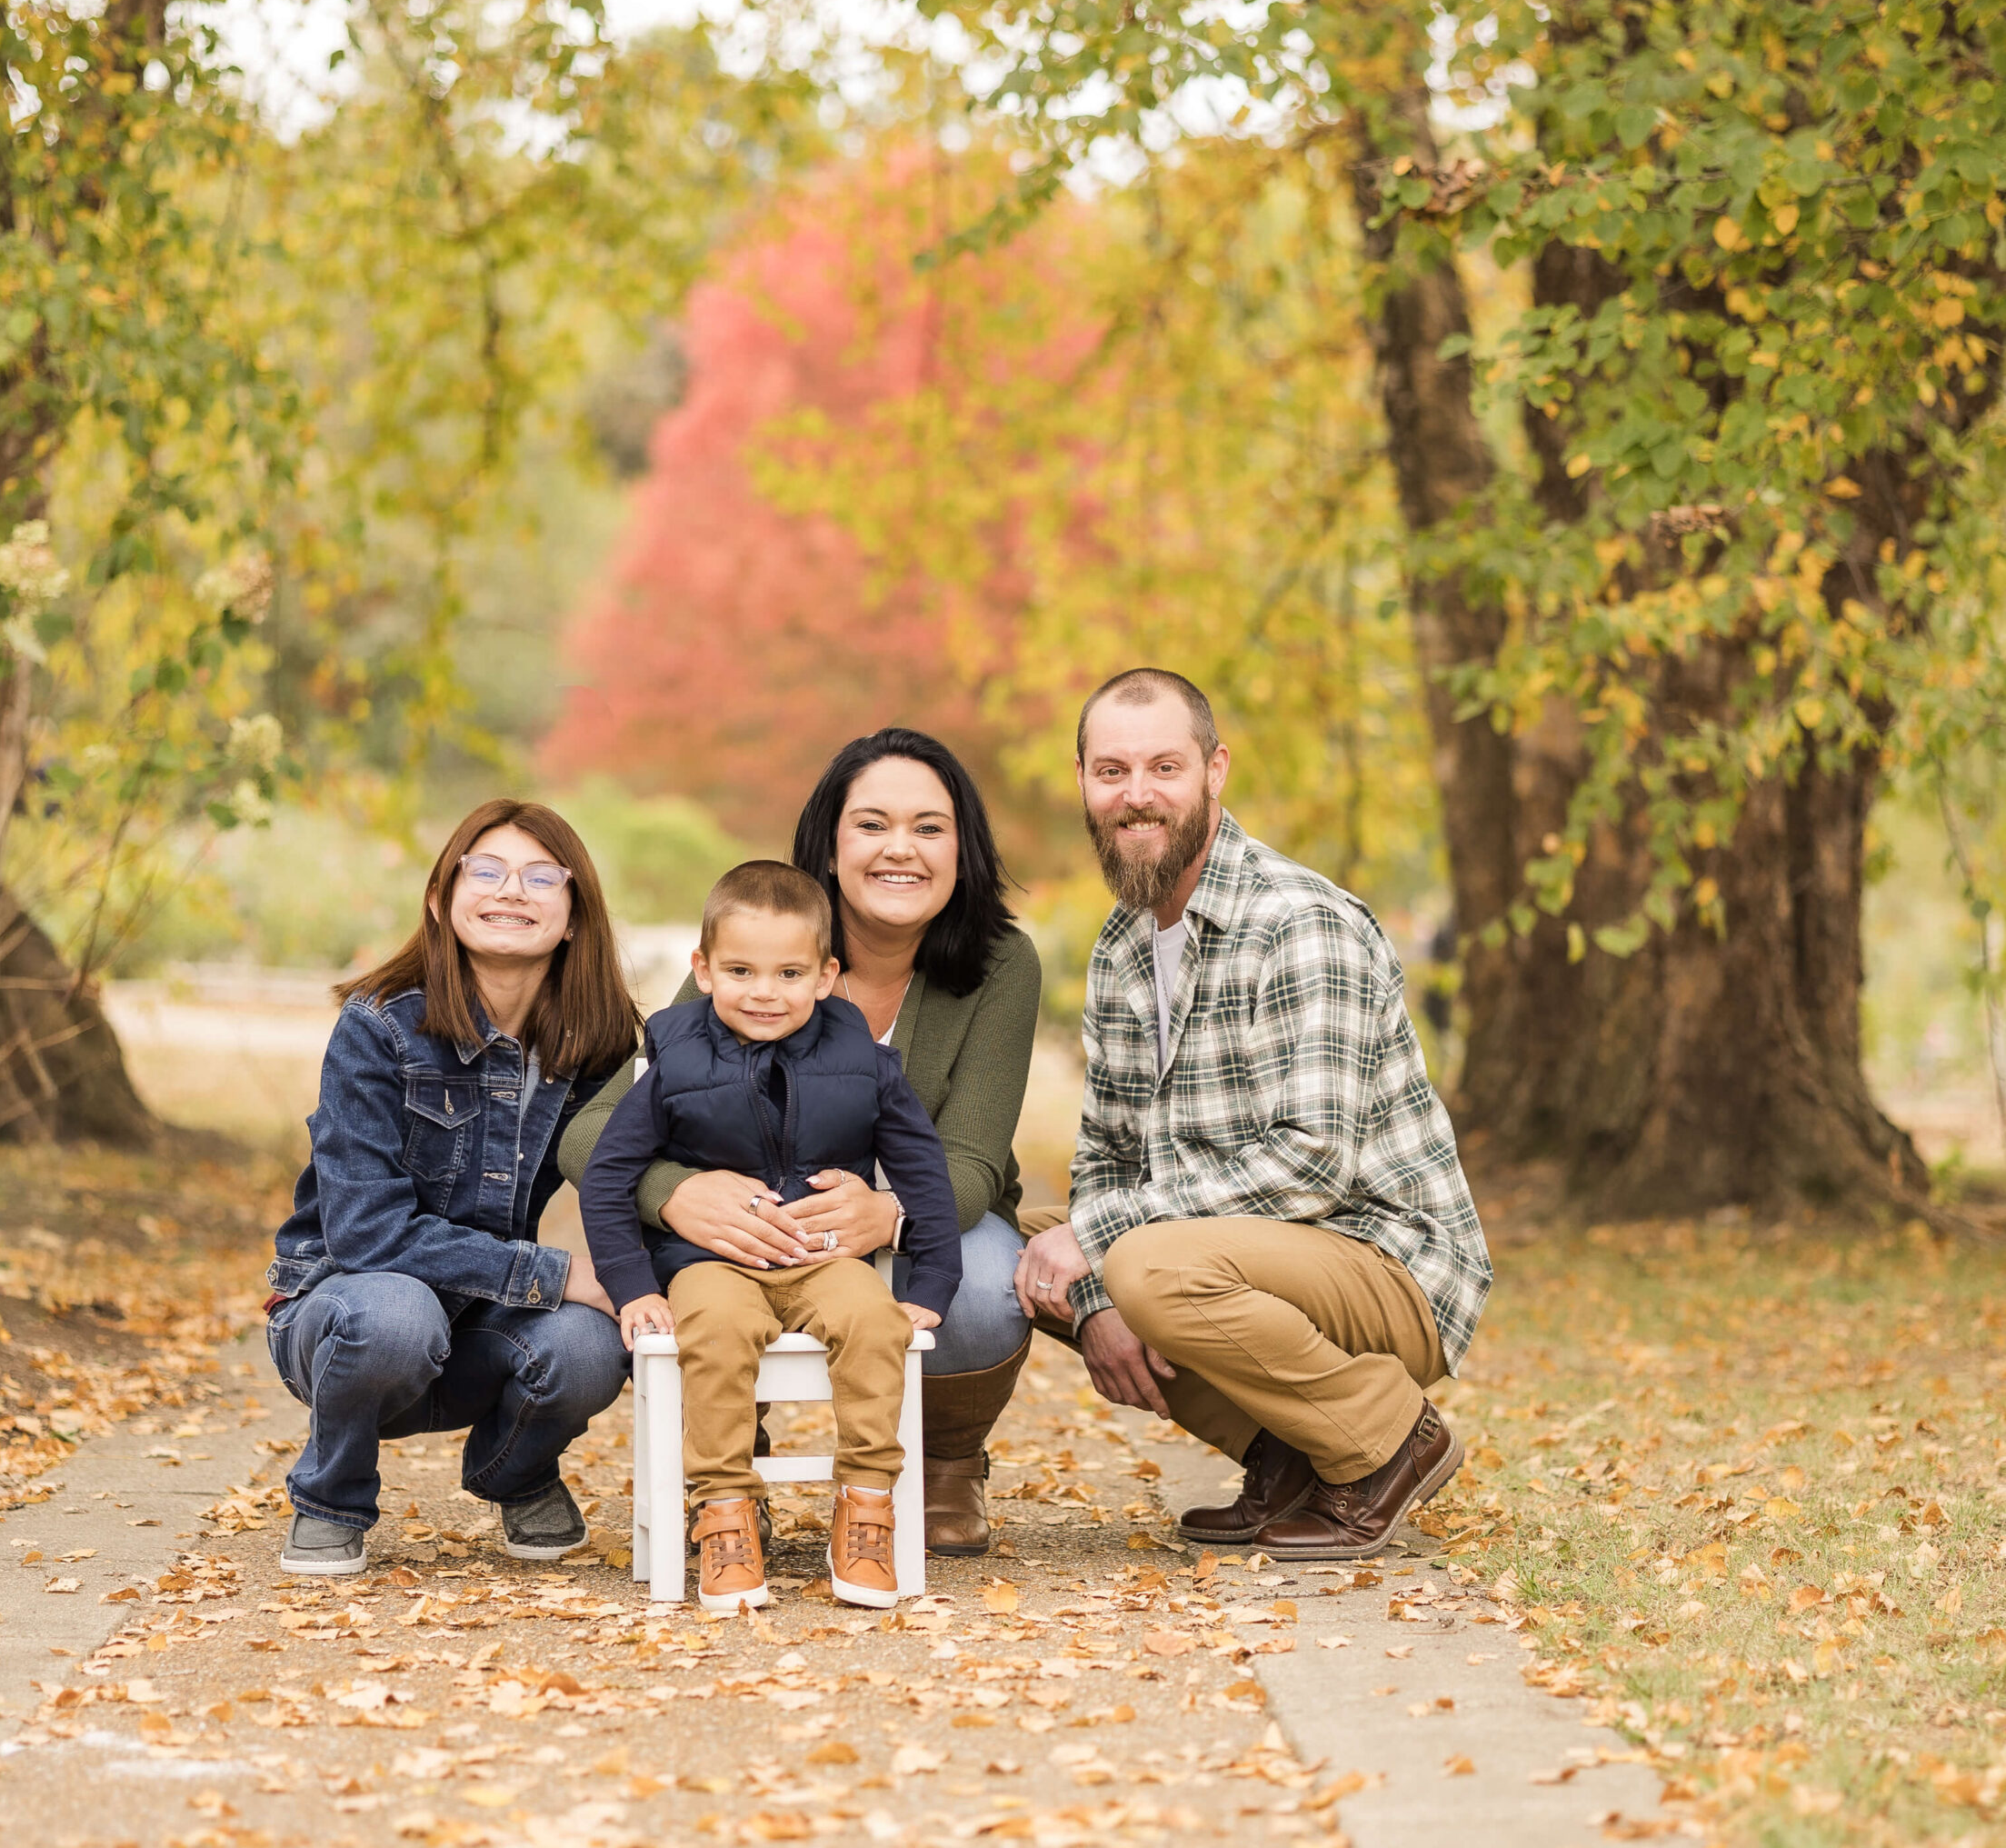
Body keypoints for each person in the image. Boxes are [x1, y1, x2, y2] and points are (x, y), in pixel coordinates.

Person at [1013, 669, 1494, 1562]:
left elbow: (1313, 1162)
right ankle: (1290, 1454)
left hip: (1388, 1260)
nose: (1137, 794)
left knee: (1141, 1258)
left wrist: (1105, 1245)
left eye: (1164, 765)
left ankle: (1385, 1438)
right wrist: (1092, 1301)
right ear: (1081, 777)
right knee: (1020, 1247)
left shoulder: (1298, 921)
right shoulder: (1122, 946)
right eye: (1111, 770)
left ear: (1214, 771)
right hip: (1245, 1257)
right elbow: (1108, 1159)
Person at [562, 729, 1039, 1555]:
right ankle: (730, 1466)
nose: (901, 849)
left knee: (991, 1282)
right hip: (744, 1233)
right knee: (703, 1277)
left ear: (964, 848)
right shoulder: (756, 951)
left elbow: (972, 1159)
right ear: (829, 841)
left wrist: (889, 1216)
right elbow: (595, 1133)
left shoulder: (1002, 963)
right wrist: (675, 1191)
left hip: (906, 1220)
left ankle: (948, 1461)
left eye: (930, 827)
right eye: (872, 824)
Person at [264, 800, 637, 1576]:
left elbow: (640, 1164)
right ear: (441, 898)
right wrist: (560, 1273)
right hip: (349, 1314)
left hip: (483, 1327)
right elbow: (366, 1233)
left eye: (542, 877)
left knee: (592, 1345)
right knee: (398, 1313)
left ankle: (517, 1471)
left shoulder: (599, 1041)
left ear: (573, 917)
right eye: (487, 871)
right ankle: (331, 1496)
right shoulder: (377, 1027)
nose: (512, 891)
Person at [581, 861, 963, 1612]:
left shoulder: (866, 1064)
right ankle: (724, 1512)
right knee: (716, 1334)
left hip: (824, 1258)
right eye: (740, 970)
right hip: (710, 1262)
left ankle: (866, 1504)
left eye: (789, 972)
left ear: (826, 976)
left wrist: (932, 1284)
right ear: (702, 970)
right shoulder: (673, 1063)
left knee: (871, 1324)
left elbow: (923, 1171)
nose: (764, 991)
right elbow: (607, 1176)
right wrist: (632, 1287)